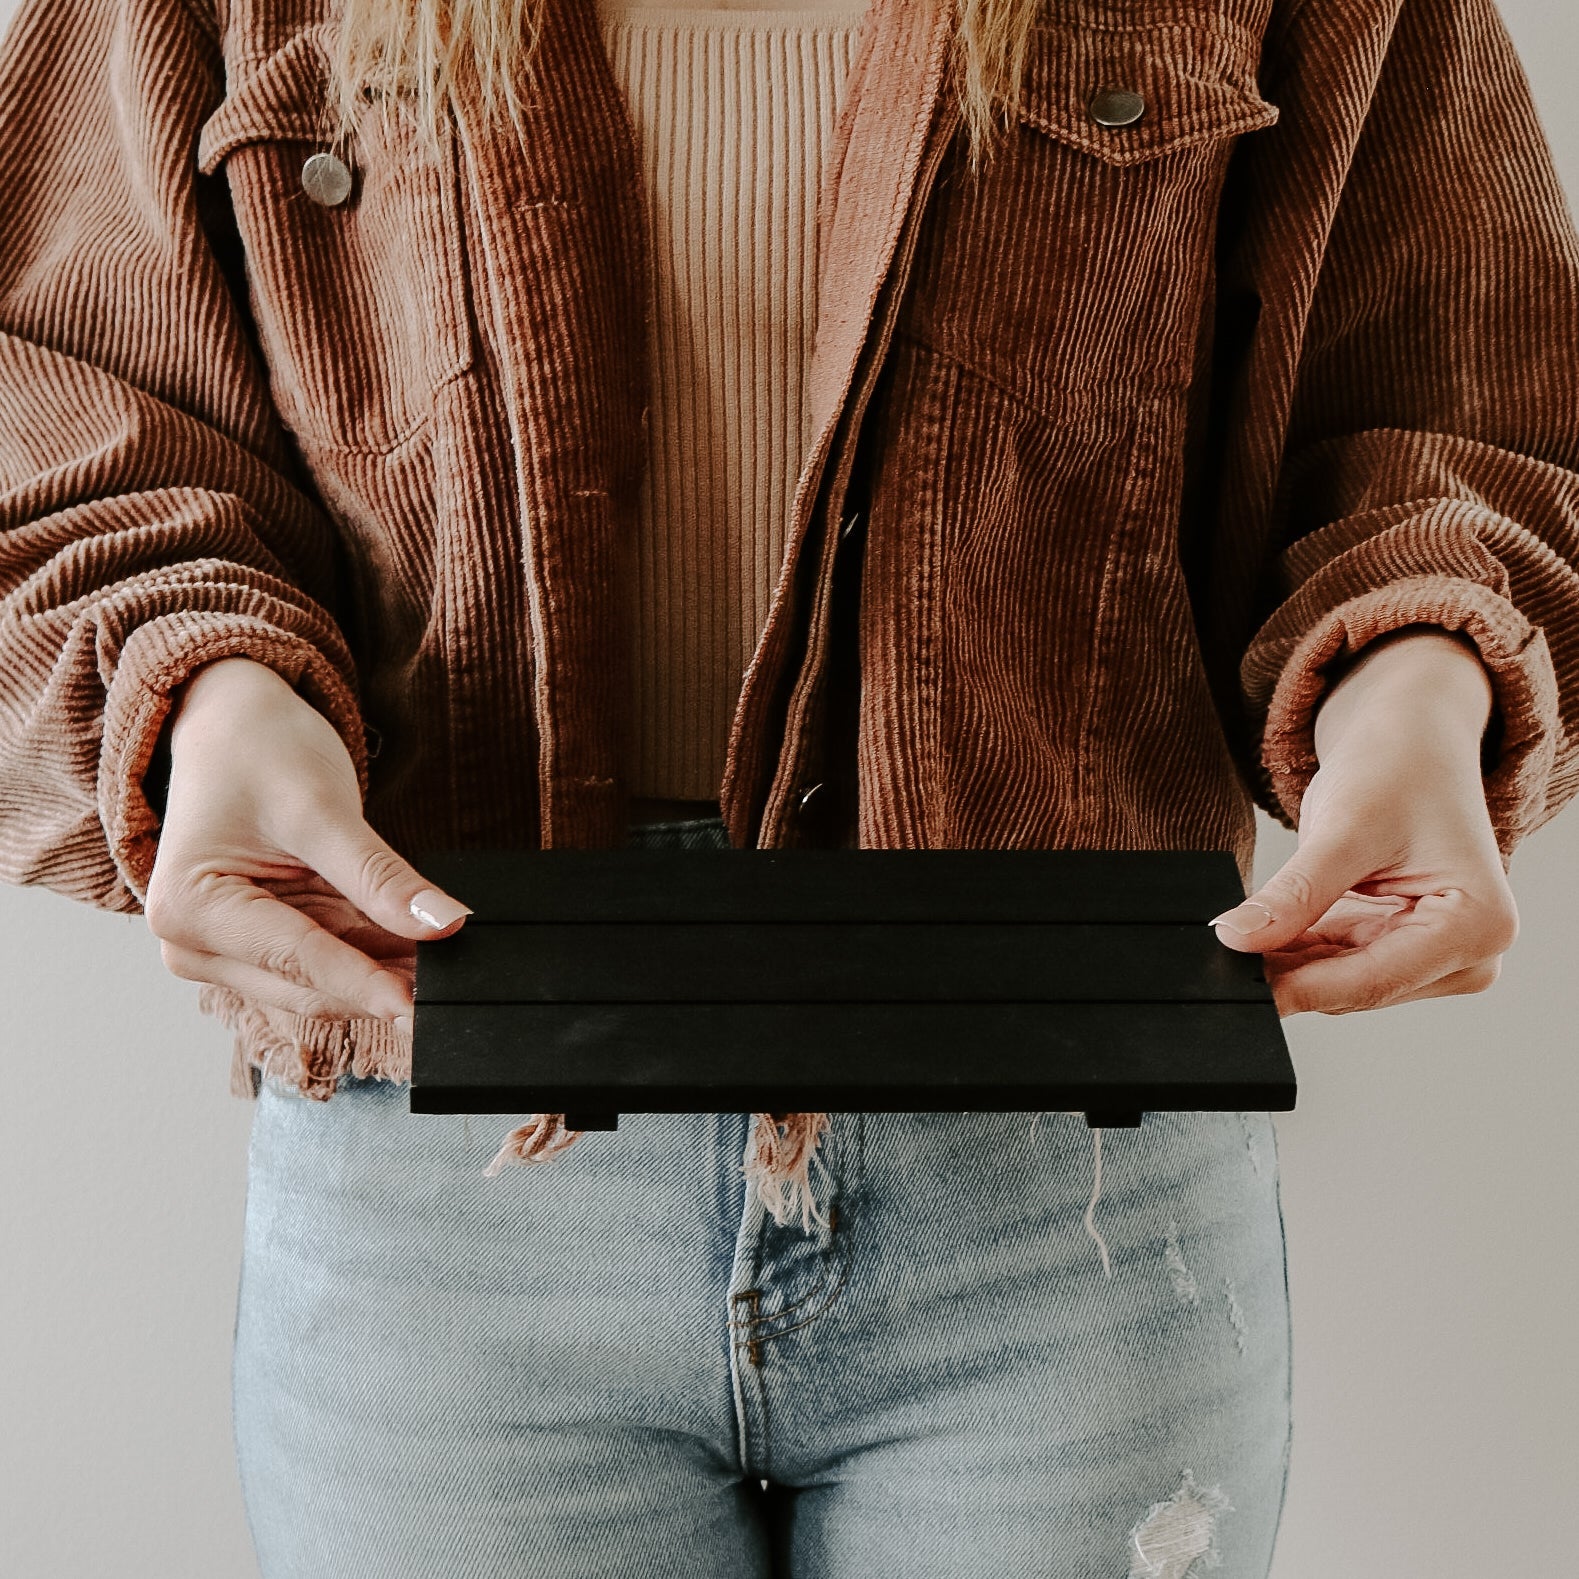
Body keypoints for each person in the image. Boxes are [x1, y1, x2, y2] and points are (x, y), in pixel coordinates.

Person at [1, 0, 1573, 1574]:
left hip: (1064, 1158)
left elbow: (1454, 398)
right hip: (442, 1136)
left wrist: (1420, 684)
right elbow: (58, 403)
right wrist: (204, 696)